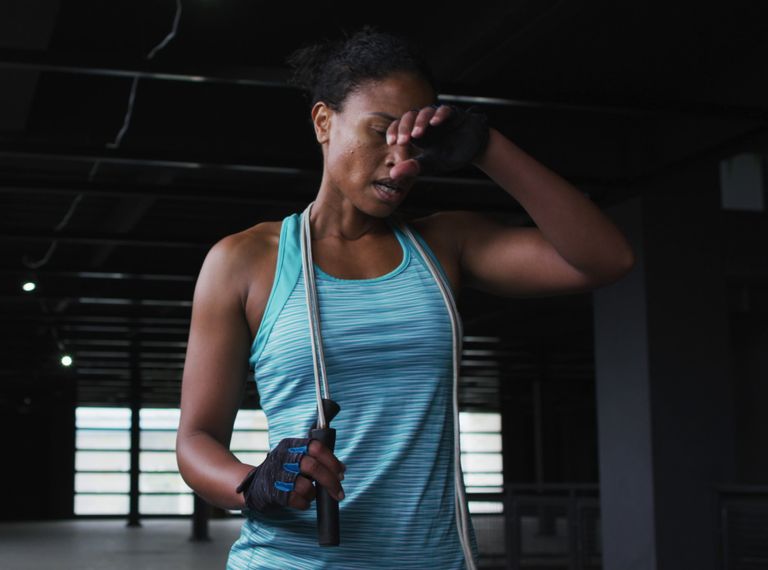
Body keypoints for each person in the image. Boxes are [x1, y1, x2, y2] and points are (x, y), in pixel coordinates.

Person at [175, 27, 634, 569]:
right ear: (324, 122)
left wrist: (487, 148)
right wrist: (253, 484)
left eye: (414, 141)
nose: (403, 160)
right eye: (380, 132)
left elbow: (607, 259)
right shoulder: (244, 261)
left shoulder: (446, 244)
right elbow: (196, 439)